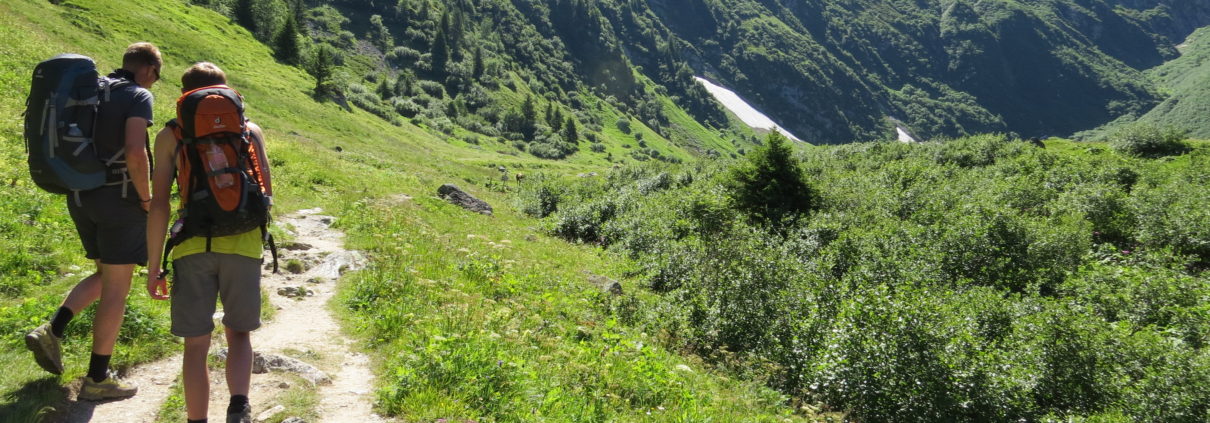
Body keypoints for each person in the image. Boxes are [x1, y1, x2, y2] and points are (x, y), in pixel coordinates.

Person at [25, 42, 161, 401]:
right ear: (148, 69)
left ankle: (52, 329)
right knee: (117, 289)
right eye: (156, 78)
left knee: (105, 276)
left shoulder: (92, 91)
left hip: (80, 194)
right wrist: (146, 198)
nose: (153, 84)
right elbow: (135, 150)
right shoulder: (136, 96)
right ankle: (98, 379)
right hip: (119, 199)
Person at [146, 62, 273, 423]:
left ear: (185, 95)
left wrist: (154, 266)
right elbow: (265, 192)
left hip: (191, 244)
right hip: (244, 242)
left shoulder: (171, 135)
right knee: (240, 335)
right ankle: (238, 407)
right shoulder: (249, 131)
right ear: (226, 92)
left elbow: (159, 204)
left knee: (196, 345)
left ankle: (197, 420)